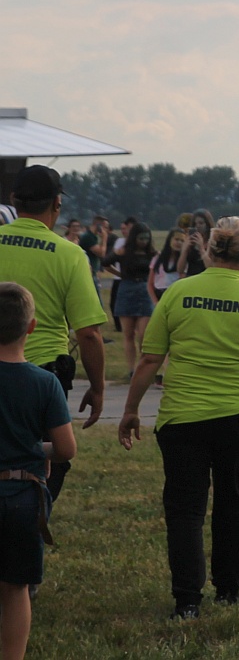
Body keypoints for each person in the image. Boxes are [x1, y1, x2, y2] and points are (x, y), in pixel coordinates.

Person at [118, 216, 239, 620]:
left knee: (185, 509)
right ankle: (229, 591)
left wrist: (131, 410)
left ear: (207, 251)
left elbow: (150, 359)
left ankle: (187, 600)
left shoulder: (179, 293)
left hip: (183, 419)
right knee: (233, 504)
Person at [0, 166, 107, 501]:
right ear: (57, 204)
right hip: (42, 376)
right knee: (38, 468)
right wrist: (98, 388)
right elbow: (88, 333)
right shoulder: (70, 255)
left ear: (13, 200)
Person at [0, 283, 76, 660]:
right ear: (30, 328)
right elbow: (65, 449)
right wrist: (37, 449)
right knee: (15, 588)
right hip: (21, 496)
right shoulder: (45, 383)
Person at [115, 223, 157, 382]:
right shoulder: (124, 252)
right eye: (141, 238)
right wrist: (119, 273)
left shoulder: (152, 253)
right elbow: (106, 261)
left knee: (144, 335)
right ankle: (131, 369)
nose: (144, 241)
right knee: (128, 334)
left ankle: (143, 367)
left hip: (144, 290)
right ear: (134, 238)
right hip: (127, 289)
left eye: (147, 238)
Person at [149, 229, 186, 304]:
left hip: (174, 295)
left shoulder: (183, 261)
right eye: (176, 239)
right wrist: (155, 302)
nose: (179, 243)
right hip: (158, 294)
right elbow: (150, 283)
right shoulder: (158, 258)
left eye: (182, 241)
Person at [179, 210, 215, 279]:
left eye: (201, 223)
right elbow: (180, 270)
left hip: (206, 279)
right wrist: (185, 250)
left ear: (207, 224)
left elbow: (211, 268)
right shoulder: (191, 242)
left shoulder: (213, 242)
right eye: (195, 224)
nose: (197, 226)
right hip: (191, 278)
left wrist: (201, 249)